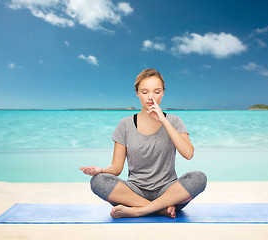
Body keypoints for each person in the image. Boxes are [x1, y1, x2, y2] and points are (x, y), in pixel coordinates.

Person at [79, 68, 207, 219]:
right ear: (137, 93)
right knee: (98, 181)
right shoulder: (125, 124)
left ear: (163, 93)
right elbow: (116, 168)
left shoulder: (174, 121)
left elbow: (188, 154)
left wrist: (164, 121)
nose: (150, 97)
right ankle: (159, 209)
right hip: (134, 192)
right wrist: (100, 170)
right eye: (145, 92)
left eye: (156, 92)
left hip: (169, 192)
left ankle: (139, 210)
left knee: (199, 178)